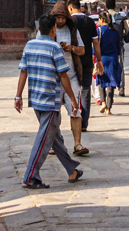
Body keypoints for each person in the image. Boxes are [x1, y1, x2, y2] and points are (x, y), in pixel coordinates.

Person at [15, 14, 84, 189]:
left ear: (39, 29)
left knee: (53, 136)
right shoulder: (54, 48)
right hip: (50, 100)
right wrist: (73, 100)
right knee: (44, 139)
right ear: (53, 30)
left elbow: (23, 72)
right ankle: (31, 175)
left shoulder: (29, 45)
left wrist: (18, 96)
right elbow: (63, 75)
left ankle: (71, 170)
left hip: (35, 99)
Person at [51, 3, 95, 155]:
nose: (60, 20)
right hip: (54, 78)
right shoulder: (47, 31)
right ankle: (53, 143)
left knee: (75, 110)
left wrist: (72, 48)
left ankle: (77, 144)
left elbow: (82, 50)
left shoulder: (73, 31)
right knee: (53, 113)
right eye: (58, 18)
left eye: (63, 17)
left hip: (71, 76)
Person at [95, 12, 123, 115]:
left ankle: (103, 102)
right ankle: (108, 108)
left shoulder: (99, 31)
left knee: (102, 81)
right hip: (113, 59)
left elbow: (96, 46)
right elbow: (119, 48)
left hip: (102, 59)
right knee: (111, 83)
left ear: (102, 20)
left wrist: (95, 57)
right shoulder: (115, 32)